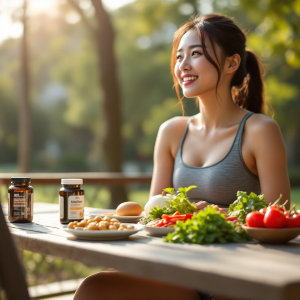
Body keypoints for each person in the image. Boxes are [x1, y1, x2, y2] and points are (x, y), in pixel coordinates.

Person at [73, 13, 290, 300]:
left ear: (231, 63)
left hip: (241, 277)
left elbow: (281, 223)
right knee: (94, 289)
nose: (182, 65)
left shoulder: (260, 130)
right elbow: (153, 213)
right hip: (178, 272)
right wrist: (180, 216)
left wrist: (219, 217)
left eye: (196, 54)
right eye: (179, 57)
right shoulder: (172, 131)